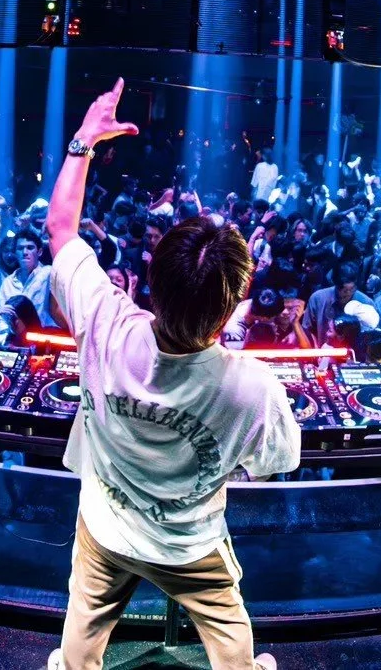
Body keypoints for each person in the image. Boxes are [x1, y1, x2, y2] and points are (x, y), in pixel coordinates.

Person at [44, 78, 299, 670]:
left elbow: (61, 228)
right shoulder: (252, 387)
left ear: (150, 281)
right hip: (189, 543)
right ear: (234, 305)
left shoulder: (105, 318)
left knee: (82, 628)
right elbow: (276, 464)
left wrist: (84, 139)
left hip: (105, 524)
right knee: (232, 636)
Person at [302, 261, 380, 348]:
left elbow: (373, 336)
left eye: (352, 289)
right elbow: (307, 330)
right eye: (343, 289)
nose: (347, 293)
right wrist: (317, 352)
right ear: (335, 283)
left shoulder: (366, 303)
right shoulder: (318, 299)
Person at [0, 231, 52, 318]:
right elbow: (3, 316)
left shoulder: (48, 274)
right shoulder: (7, 283)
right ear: (15, 253)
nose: (25, 252)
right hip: (14, 331)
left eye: (30, 248)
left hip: (45, 330)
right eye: (20, 248)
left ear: (39, 252)